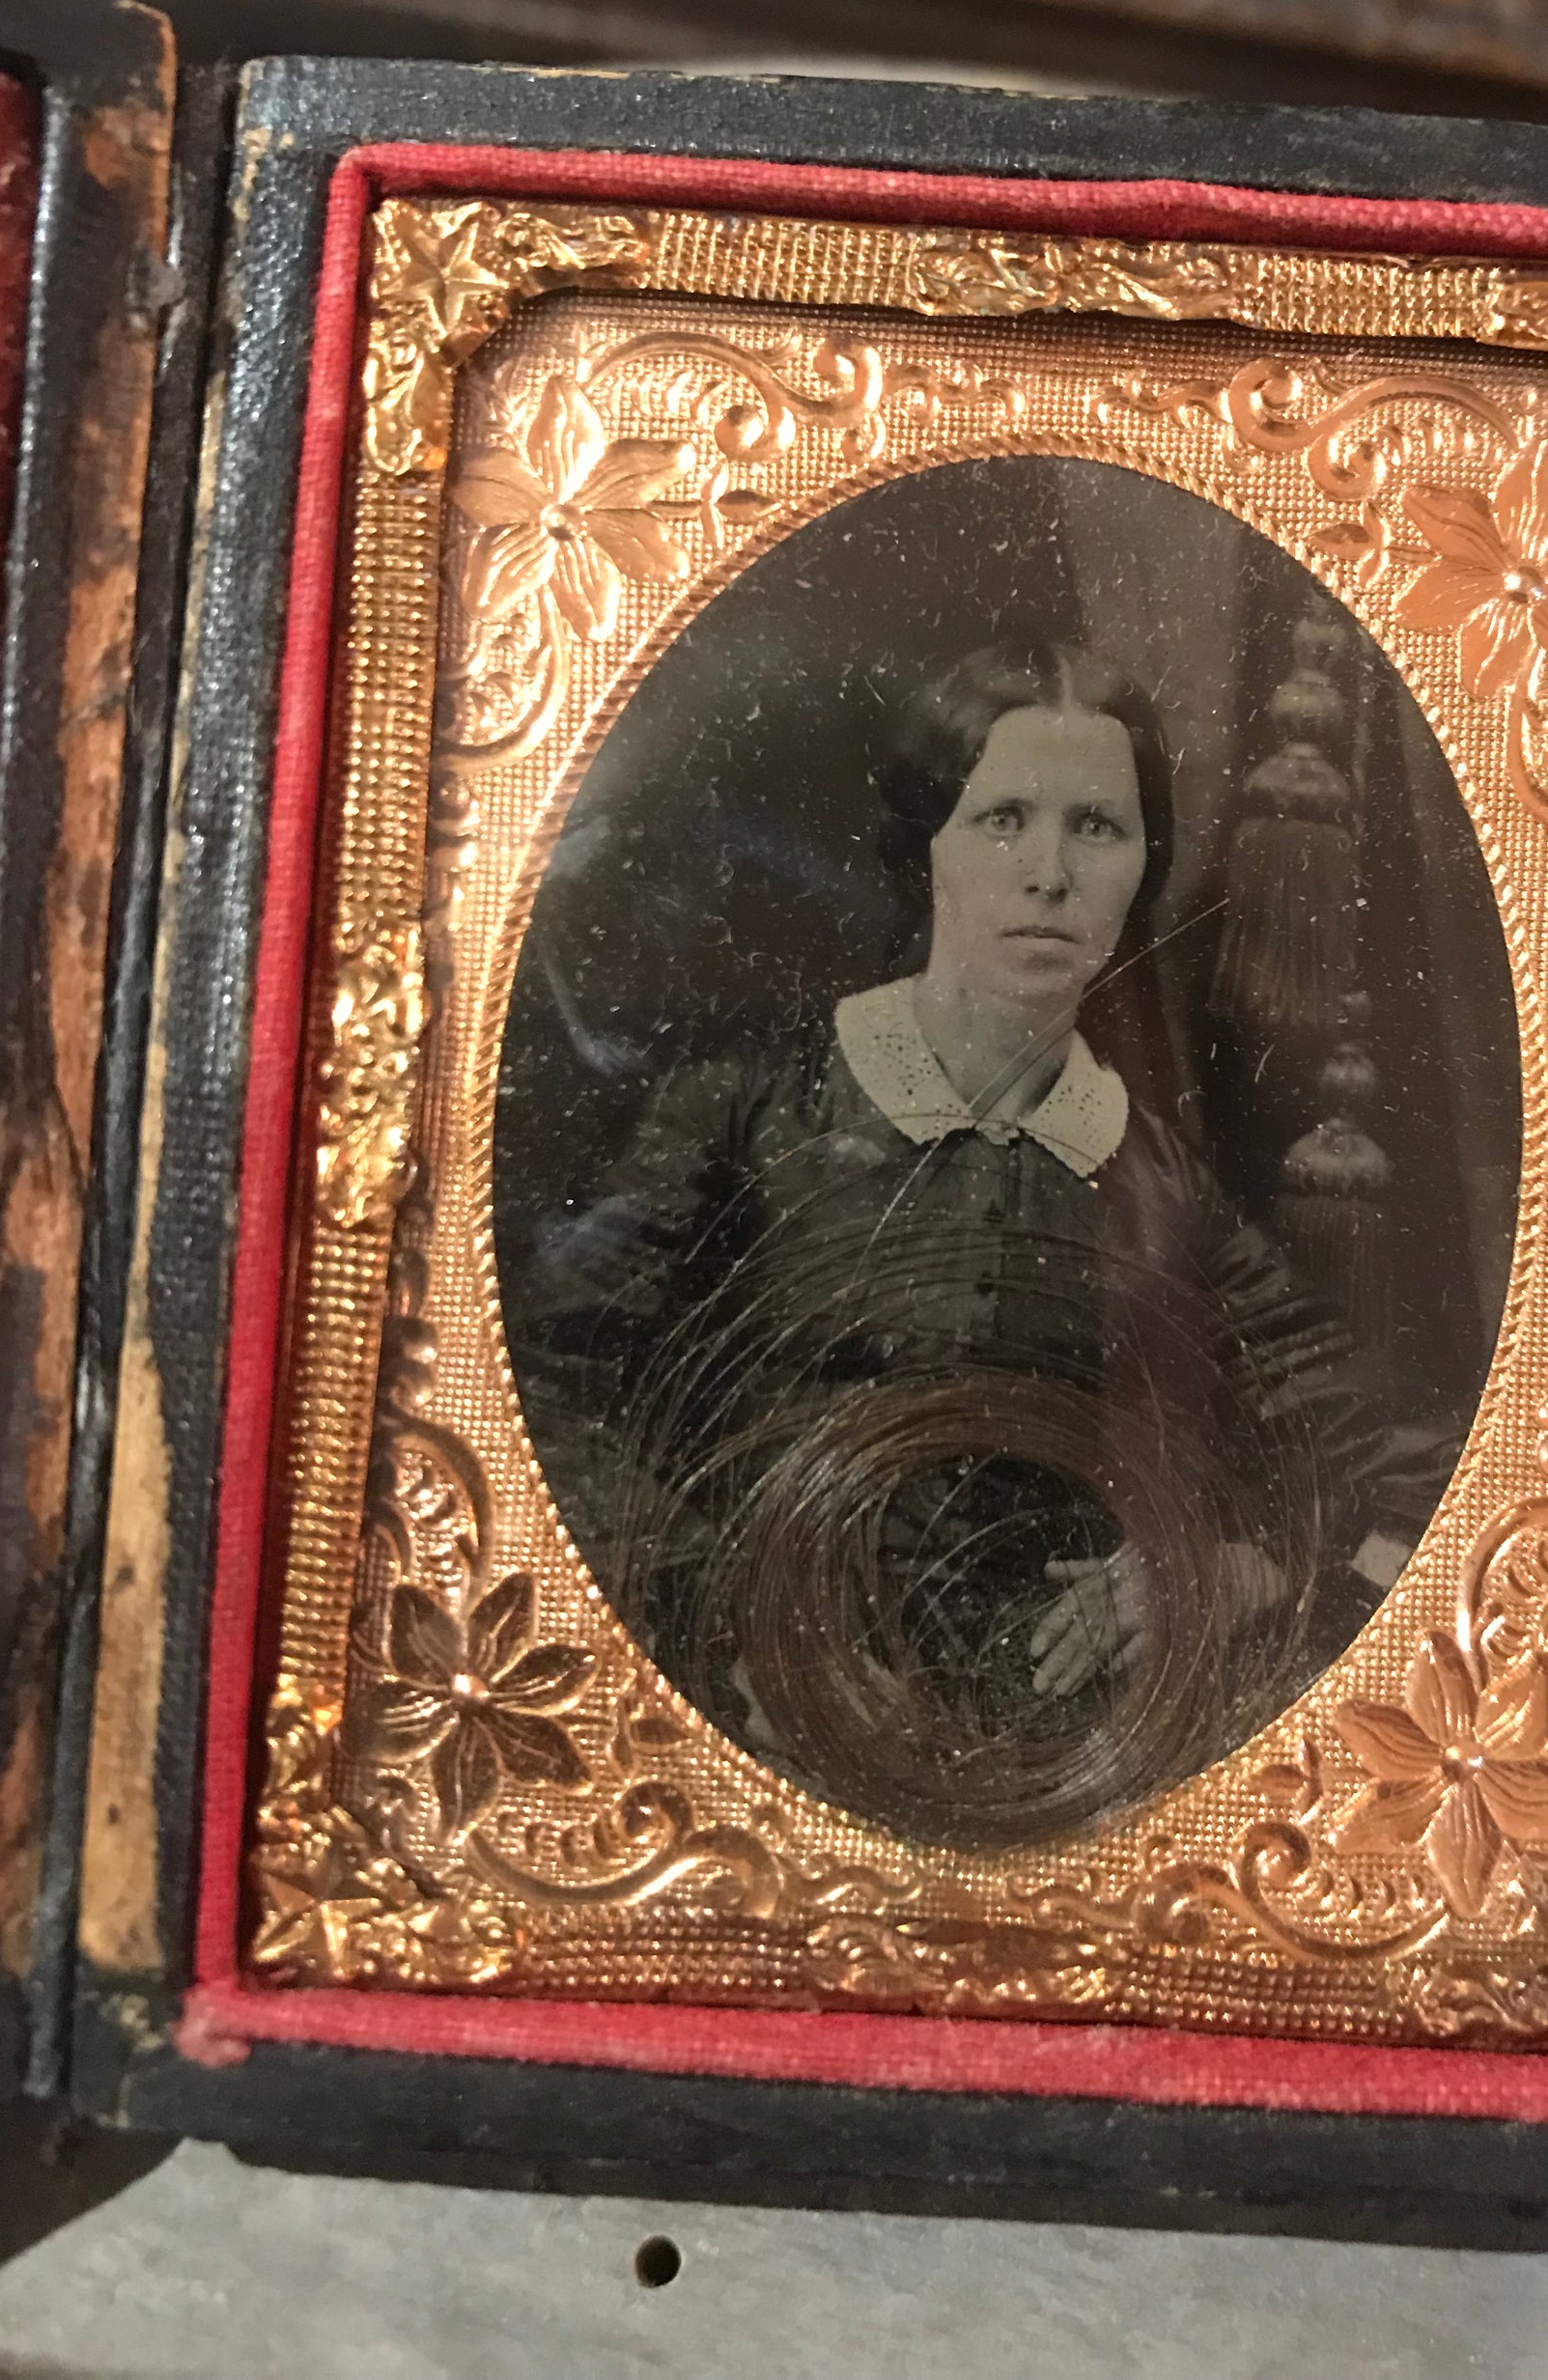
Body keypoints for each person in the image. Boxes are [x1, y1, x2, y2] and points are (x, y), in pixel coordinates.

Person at [508, 639, 1387, 1847]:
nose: (1047, 874)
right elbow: (539, 1395)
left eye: (1096, 828)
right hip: (725, 1749)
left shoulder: (1154, 1177)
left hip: (1051, 1772)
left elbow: (1373, 1457)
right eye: (1002, 819)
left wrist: (1216, 1569)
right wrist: (726, 1616)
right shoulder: (746, 1112)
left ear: (1142, 867)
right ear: (926, 849)